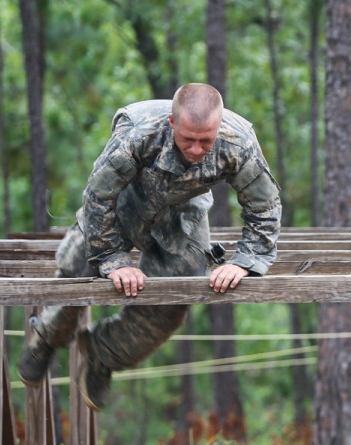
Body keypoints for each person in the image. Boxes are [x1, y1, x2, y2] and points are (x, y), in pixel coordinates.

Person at [18, 83, 281, 410]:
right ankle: (47, 336)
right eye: (189, 139)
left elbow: (265, 207)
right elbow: (100, 196)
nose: (198, 149)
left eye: (206, 140)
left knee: (178, 293)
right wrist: (114, 259)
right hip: (124, 201)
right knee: (76, 268)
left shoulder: (238, 142)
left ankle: (102, 354)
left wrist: (244, 261)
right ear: (172, 123)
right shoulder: (139, 133)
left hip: (183, 212)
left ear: (219, 126)